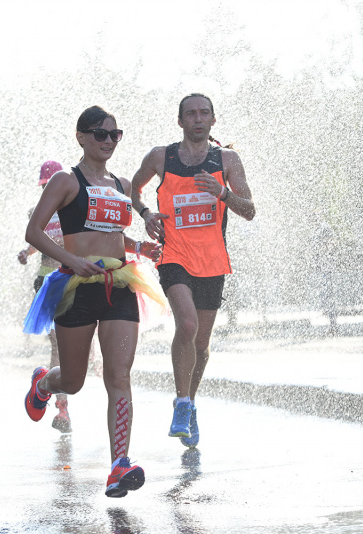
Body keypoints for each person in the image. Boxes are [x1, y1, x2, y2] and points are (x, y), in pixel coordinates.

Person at [22, 105, 166, 498]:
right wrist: (71, 260)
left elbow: (112, 235)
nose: (108, 141)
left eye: (114, 134)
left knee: (119, 376)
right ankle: (43, 384)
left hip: (119, 283)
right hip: (76, 285)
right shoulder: (66, 180)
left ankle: (120, 465)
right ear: (81, 137)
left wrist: (140, 248)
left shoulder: (121, 184)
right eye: (100, 134)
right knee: (73, 380)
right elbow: (34, 232)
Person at [130, 93, 256, 449]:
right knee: (186, 325)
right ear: (180, 121)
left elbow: (249, 210)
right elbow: (133, 190)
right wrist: (146, 214)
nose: (197, 119)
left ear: (213, 120)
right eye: (190, 114)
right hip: (174, 255)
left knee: (201, 344)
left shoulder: (227, 160)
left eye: (204, 113)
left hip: (213, 260)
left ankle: (191, 403)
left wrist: (222, 193)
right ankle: (181, 402)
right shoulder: (161, 157)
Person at [17, 160, 73, 433]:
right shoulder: (36, 211)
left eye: (50, 185)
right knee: (58, 344)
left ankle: (49, 389)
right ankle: (62, 407)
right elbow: (35, 241)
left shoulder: (72, 208)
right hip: (48, 281)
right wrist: (26, 253)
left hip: (73, 279)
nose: (46, 191)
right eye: (43, 186)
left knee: (72, 345)